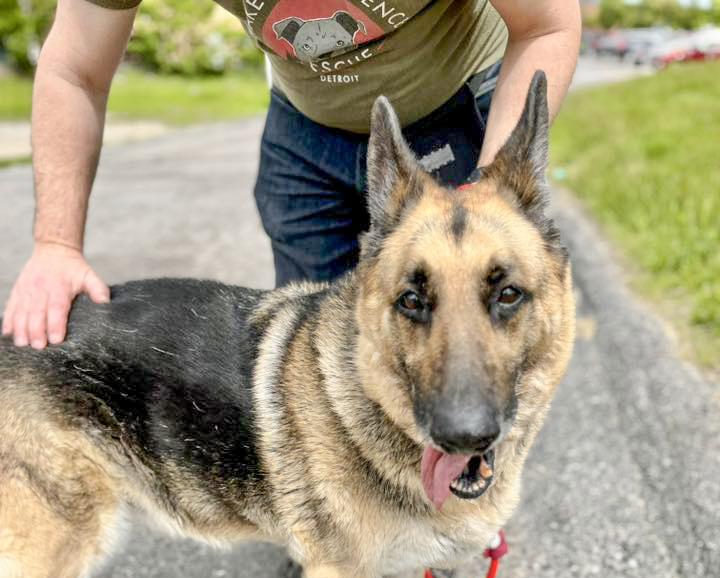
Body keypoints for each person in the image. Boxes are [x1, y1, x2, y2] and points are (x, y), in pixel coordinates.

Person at [2, 0, 581, 348]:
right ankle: (333, 537)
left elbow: (547, 25)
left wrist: (491, 192)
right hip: (305, 122)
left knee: (454, 326)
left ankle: (445, 516)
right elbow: (73, 69)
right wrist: (55, 244)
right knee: (315, 338)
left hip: (451, 105)